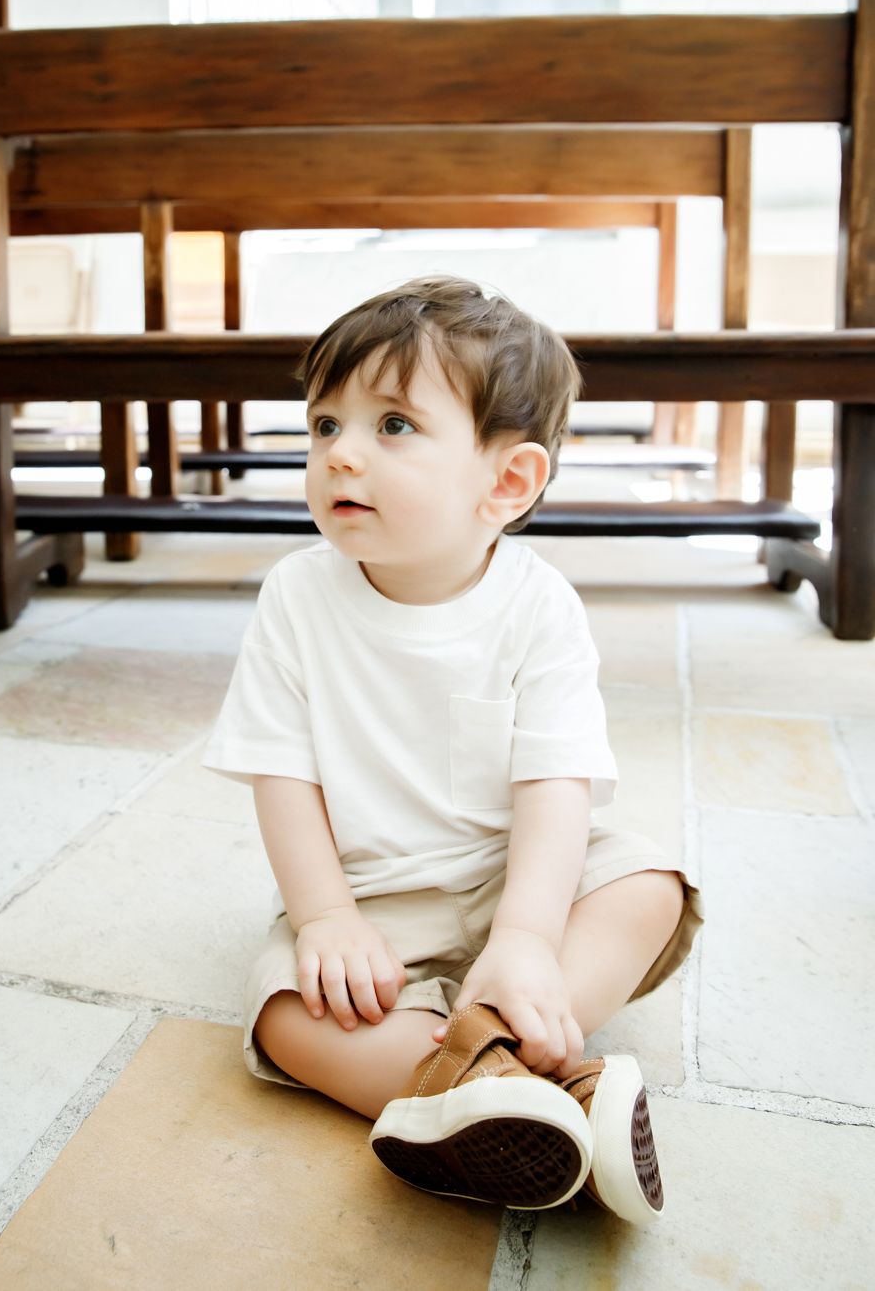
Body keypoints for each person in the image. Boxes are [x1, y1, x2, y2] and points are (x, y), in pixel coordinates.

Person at [203, 275, 703, 1222]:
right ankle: (546, 1096)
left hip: (523, 885)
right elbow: (283, 774)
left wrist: (522, 938)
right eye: (324, 426)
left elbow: (557, 785)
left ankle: (481, 1067)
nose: (342, 454)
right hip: (374, 905)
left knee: (651, 886)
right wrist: (323, 920)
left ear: (506, 484)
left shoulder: (537, 606)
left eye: (392, 426)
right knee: (284, 1014)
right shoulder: (297, 598)